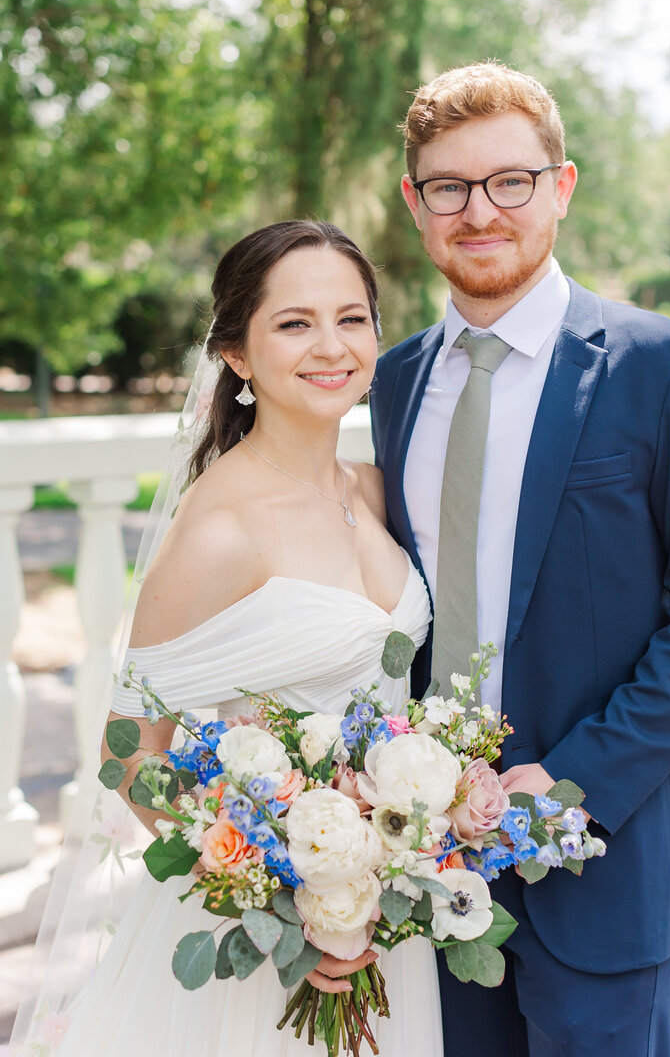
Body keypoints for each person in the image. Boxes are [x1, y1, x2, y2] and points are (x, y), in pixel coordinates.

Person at [369, 62, 670, 1057]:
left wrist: (574, 781)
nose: (479, 210)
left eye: (509, 180)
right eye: (448, 187)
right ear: (415, 206)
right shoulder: (392, 383)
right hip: (426, 858)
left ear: (559, 187)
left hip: (602, 852)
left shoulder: (659, 364)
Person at [11, 220, 443, 1056]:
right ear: (237, 356)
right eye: (294, 323)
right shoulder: (218, 528)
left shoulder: (375, 489)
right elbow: (127, 751)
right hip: (264, 955)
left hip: (386, 918)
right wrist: (277, 898)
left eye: (353, 318)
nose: (332, 345)